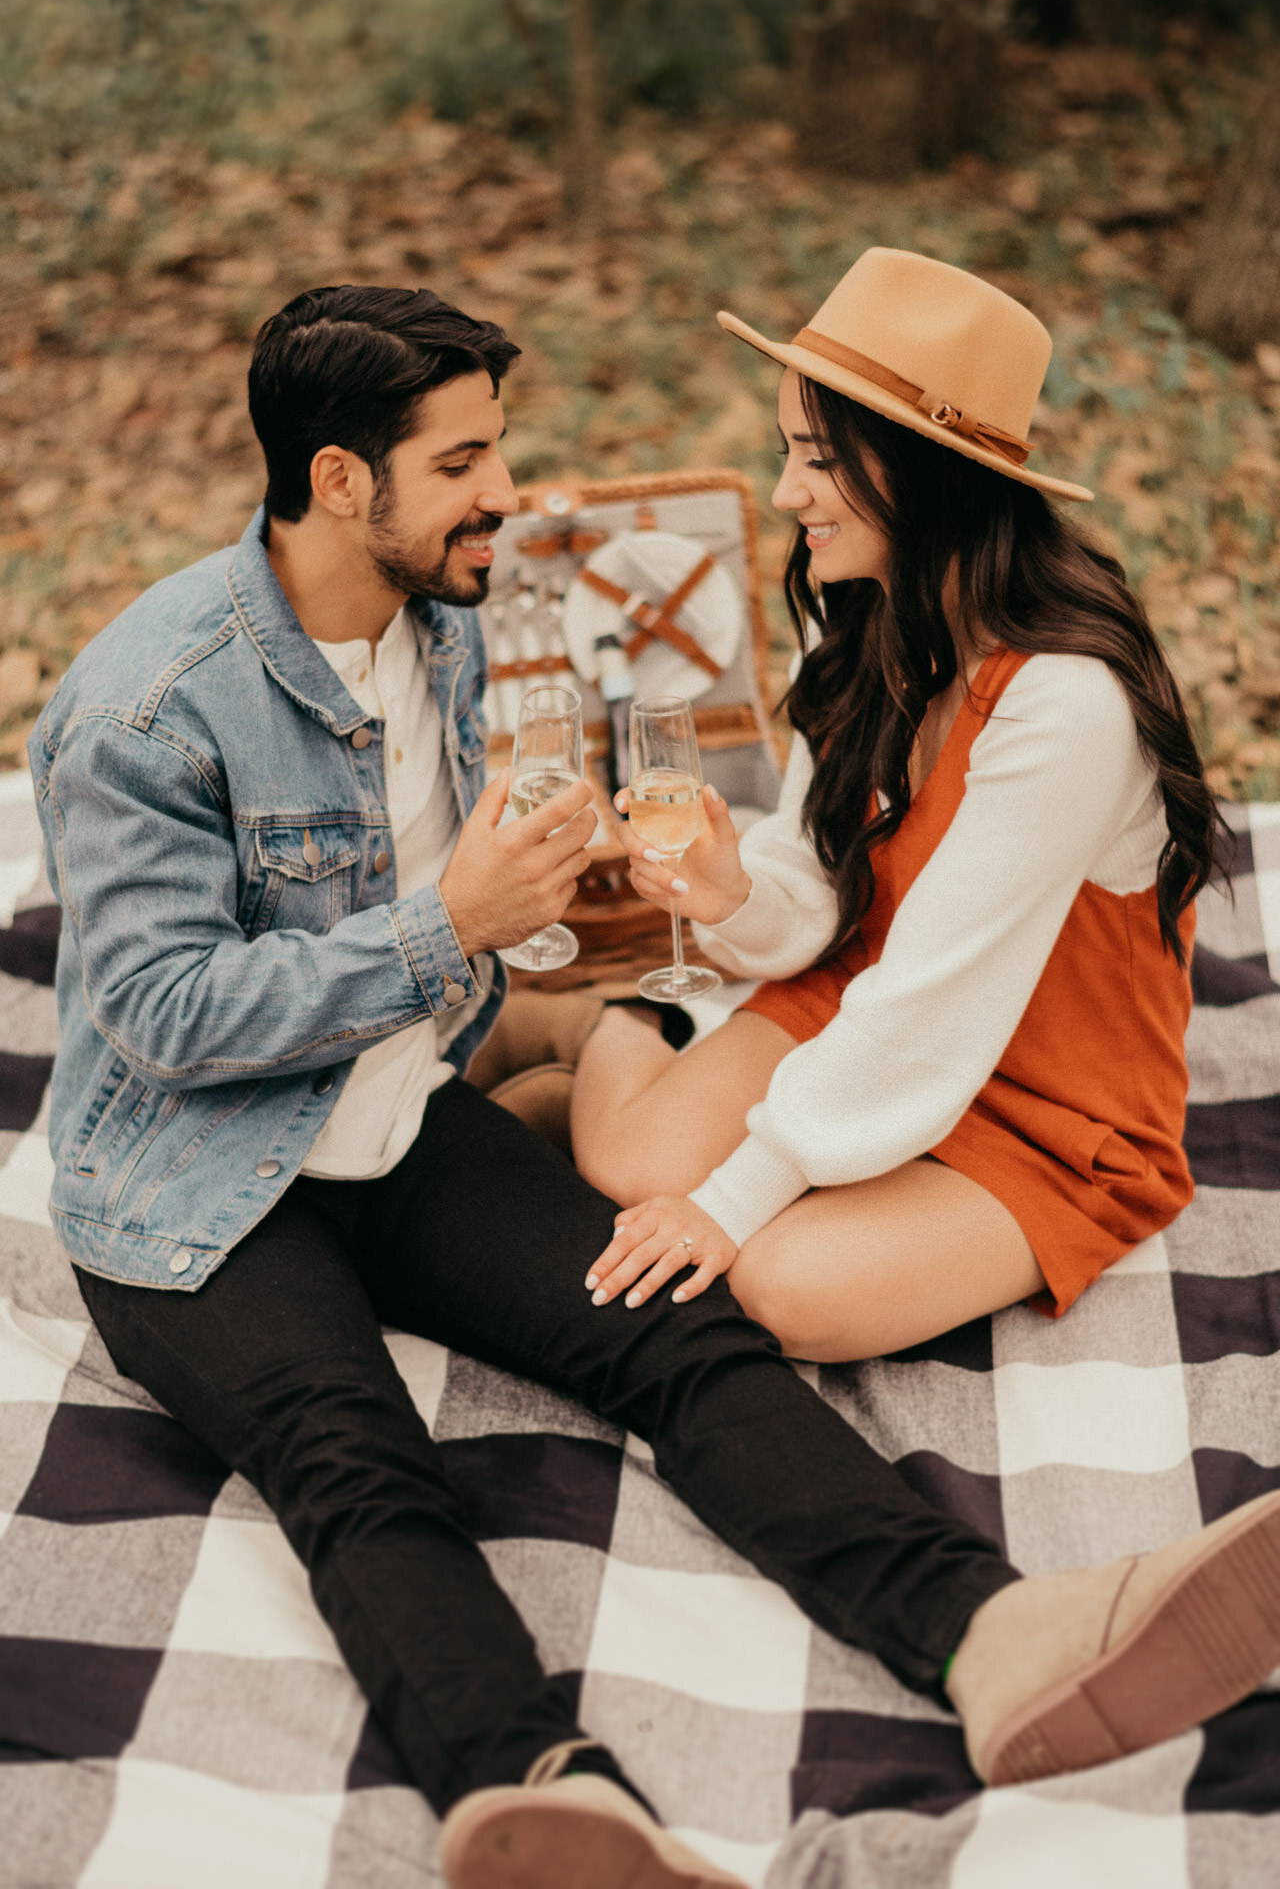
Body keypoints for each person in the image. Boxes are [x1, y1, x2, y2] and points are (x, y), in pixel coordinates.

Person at [28, 281, 1280, 1889]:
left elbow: (715, 830)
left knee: (676, 1323)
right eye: (469, 462)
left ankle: (992, 1633)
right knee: (356, 1462)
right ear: (342, 481)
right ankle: (547, 1792)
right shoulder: (144, 703)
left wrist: (579, 917)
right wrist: (451, 938)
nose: (511, 497)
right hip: (193, 1186)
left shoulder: (463, 631)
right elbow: (150, 1014)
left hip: (405, 1121)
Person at [574, 247, 1218, 1364]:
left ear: (924, 469)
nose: (785, 494)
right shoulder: (865, 617)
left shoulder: (1062, 702)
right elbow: (820, 892)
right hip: (868, 1001)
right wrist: (732, 898)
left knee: (787, 1285)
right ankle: (621, 1014)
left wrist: (728, 1207)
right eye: (787, 454)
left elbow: (932, 1007)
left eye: (817, 459)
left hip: (1044, 1103)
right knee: (629, 1166)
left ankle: (596, 1056)